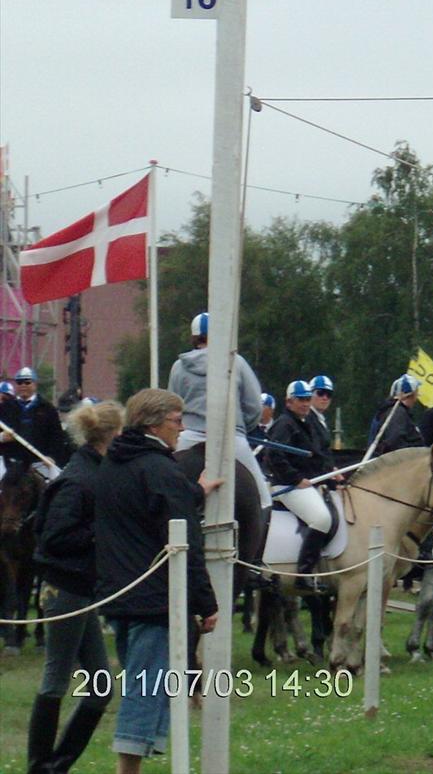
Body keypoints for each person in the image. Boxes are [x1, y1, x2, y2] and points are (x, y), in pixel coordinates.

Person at [92, 389, 221, 773]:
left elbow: (150, 505)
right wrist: (207, 601)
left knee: (143, 684)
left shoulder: (114, 464)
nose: (182, 428)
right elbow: (186, 539)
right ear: (153, 423)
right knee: (145, 690)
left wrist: (194, 491)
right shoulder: (161, 469)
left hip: (120, 593)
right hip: (154, 598)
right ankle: (126, 769)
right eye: (176, 420)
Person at [27, 401, 123, 773]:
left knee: (100, 688)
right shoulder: (79, 479)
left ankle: (57, 765)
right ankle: (40, 766)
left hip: (81, 591)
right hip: (64, 590)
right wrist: (103, 534)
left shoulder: (92, 472)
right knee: (56, 679)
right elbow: (54, 538)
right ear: (113, 435)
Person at [167, 312, 270, 509]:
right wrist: (242, 428)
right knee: (264, 501)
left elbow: (171, 406)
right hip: (230, 438)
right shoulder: (236, 362)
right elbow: (254, 406)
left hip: (187, 437)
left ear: (195, 337)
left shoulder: (178, 367)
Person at [265, 381, 335, 591]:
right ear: (289, 402)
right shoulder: (285, 424)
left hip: (305, 483)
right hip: (287, 485)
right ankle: (303, 574)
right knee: (322, 519)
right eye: (301, 399)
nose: (305, 403)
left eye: (307, 399)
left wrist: (331, 477)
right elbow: (274, 455)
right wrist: (296, 479)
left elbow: (316, 457)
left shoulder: (304, 423)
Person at [0, 366, 70, 475]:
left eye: (27, 382)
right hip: (10, 463)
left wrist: (52, 457)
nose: (23, 385)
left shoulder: (48, 409)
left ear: (35, 384)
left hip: (40, 463)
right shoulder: (5, 408)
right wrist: (2, 438)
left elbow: (57, 437)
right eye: (19, 382)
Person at [369, 374, 425, 455]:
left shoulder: (396, 411)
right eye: (416, 393)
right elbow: (395, 442)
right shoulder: (398, 413)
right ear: (410, 395)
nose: (416, 398)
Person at [308, 374, 335, 450]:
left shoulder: (320, 419)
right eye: (320, 393)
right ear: (310, 394)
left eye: (329, 394)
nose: (325, 398)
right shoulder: (307, 419)